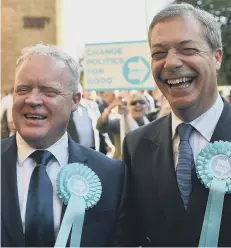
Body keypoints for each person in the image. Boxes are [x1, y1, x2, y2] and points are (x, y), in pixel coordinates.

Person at [123, 3, 231, 247]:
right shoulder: (136, 145)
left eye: (188, 49)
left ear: (217, 58)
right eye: (159, 53)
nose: (171, 63)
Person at [1, 44, 130, 247]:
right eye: (23, 89)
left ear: (75, 100)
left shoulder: (111, 176)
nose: (32, 100)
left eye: (48, 91)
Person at [97, 90, 149, 159]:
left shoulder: (150, 121)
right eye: (133, 103)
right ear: (127, 106)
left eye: (141, 102)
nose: (138, 105)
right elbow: (100, 126)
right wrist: (111, 107)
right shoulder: (120, 123)